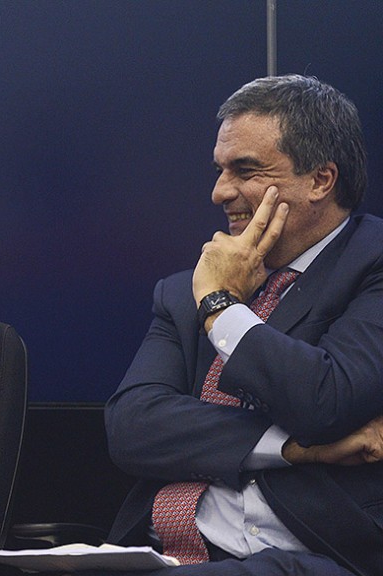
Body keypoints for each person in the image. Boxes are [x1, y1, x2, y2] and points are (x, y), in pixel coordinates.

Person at [101, 74, 383, 575]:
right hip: (161, 554)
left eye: (245, 170)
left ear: (321, 180)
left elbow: (326, 399)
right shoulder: (181, 290)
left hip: (311, 556)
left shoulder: (372, 266)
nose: (219, 192)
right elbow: (133, 427)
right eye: (219, 170)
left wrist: (222, 307)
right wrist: (292, 449)